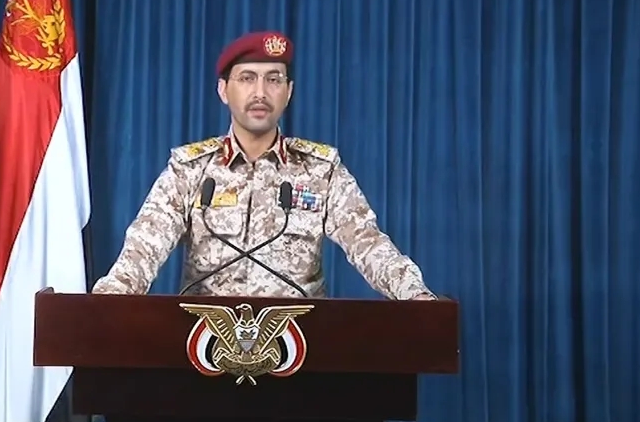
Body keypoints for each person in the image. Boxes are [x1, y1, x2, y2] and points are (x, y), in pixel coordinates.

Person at [92, 31, 436, 300]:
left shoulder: (321, 171)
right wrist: (112, 296)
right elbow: (144, 246)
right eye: (247, 78)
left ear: (288, 92)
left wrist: (415, 295)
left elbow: (367, 242)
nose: (260, 92)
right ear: (223, 90)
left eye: (273, 79)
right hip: (205, 345)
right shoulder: (190, 170)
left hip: (300, 347)